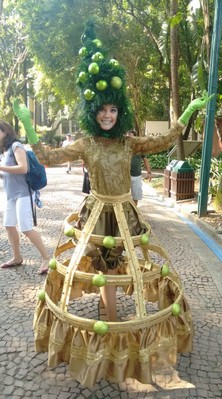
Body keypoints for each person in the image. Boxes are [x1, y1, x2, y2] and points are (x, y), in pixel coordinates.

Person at [13, 23, 213, 387]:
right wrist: (28, 126)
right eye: (101, 111)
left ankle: (124, 314)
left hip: (125, 212)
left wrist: (187, 115)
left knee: (128, 261)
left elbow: (165, 139)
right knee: (103, 261)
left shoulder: (128, 142)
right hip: (97, 213)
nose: (107, 116)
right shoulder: (87, 143)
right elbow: (52, 155)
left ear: (119, 112)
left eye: (112, 111)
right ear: (93, 113)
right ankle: (111, 310)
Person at [0, 120, 50, 274]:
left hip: (23, 194)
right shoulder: (5, 151)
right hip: (11, 195)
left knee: (26, 228)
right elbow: (8, 173)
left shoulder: (16, 146)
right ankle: (17, 257)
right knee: (9, 225)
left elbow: (23, 168)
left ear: (5, 131)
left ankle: (46, 258)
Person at [126, 130, 152, 206]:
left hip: (136, 176)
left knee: (136, 196)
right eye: (128, 136)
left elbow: (145, 160)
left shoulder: (140, 148)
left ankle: (134, 212)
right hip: (124, 176)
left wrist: (149, 172)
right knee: (123, 196)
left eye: (131, 136)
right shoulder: (123, 147)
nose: (130, 138)